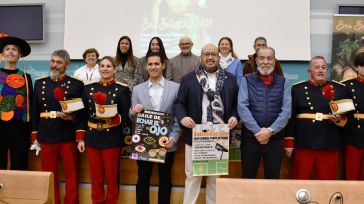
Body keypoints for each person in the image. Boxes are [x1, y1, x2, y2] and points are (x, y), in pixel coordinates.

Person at [174, 43, 239, 204]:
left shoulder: (230, 79)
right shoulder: (188, 79)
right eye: (206, 54)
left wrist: (235, 117)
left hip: (219, 136)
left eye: (213, 54)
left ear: (218, 57)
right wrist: (182, 117)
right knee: (193, 177)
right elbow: (179, 103)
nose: (210, 57)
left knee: (214, 178)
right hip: (195, 136)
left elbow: (237, 105)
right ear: (201, 57)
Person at [31, 50, 84, 204]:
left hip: (67, 134)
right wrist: (35, 136)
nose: (54, 65)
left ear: (67, 65)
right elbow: (35, 111)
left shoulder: (76, 84)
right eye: (53, 61)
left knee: (72, 174)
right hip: (46, 134)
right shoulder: (40, 83)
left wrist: (79, 133)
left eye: (59, 62)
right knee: (48, 175)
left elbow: (81, 114)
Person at [77, 56, 131, 203]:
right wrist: (81, 138)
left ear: (114, 69)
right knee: (96, 177)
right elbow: (83, 115)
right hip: (92, 137)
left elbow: (127, 115)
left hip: (112, 137)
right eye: (102, 66)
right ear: (98, 68)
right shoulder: (88, 89)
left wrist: (115, 119)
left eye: (108, 66)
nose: (105, 69)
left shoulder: (122, 89)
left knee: (112, 177)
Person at [130, 52, 181, 204]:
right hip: (144, 143)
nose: (153, 67)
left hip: (167, 142)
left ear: (163, 66)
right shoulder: (138, 89)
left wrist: (174, 137)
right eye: (150, 64)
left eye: (156, 64)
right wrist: (133, 110)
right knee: (142, 179)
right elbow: (131, 116)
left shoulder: (176, 88)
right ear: (146, 67)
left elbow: (179, 116)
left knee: (165, 179)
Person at [286, 56, 347, 180]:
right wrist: (289, 143)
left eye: (324, 67)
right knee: (300, 181)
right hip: (304, 142)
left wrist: (337, 119)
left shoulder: (339, 89)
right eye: (317, 67)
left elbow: (346, 119)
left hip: (329, 142)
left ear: (327, 71)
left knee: (327, 183)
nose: (321, 70)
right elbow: (290, 118)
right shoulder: (298, 89)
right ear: (309, 72)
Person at [237, 47, 291, 179]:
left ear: (274, 61)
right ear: (256, 60)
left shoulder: (284, 82)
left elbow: (286, 111)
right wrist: (258, 131)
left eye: (269, 58)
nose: (265, 62)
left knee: (272, 180)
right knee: (248, 178)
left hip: (275, 140)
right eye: (261, 58)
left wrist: (270, 131)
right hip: (251, 139)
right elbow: (242, 107)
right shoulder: (246, 80)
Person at [0, 34, 33, 170]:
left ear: (20, 55)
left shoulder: (26, 77)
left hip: (20, 127)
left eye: (14, 49)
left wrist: (31, 130)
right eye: (7, 49)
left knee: (19, 164)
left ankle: (18, 191)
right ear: (2, 54)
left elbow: (30, 104)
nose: (11, 52)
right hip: (0, 126)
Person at [342, 51, 364, 180]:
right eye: (363, 65)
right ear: (356, 67)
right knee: (352, 174)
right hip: (354, 133)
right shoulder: (348, 86)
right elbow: (345, 113)